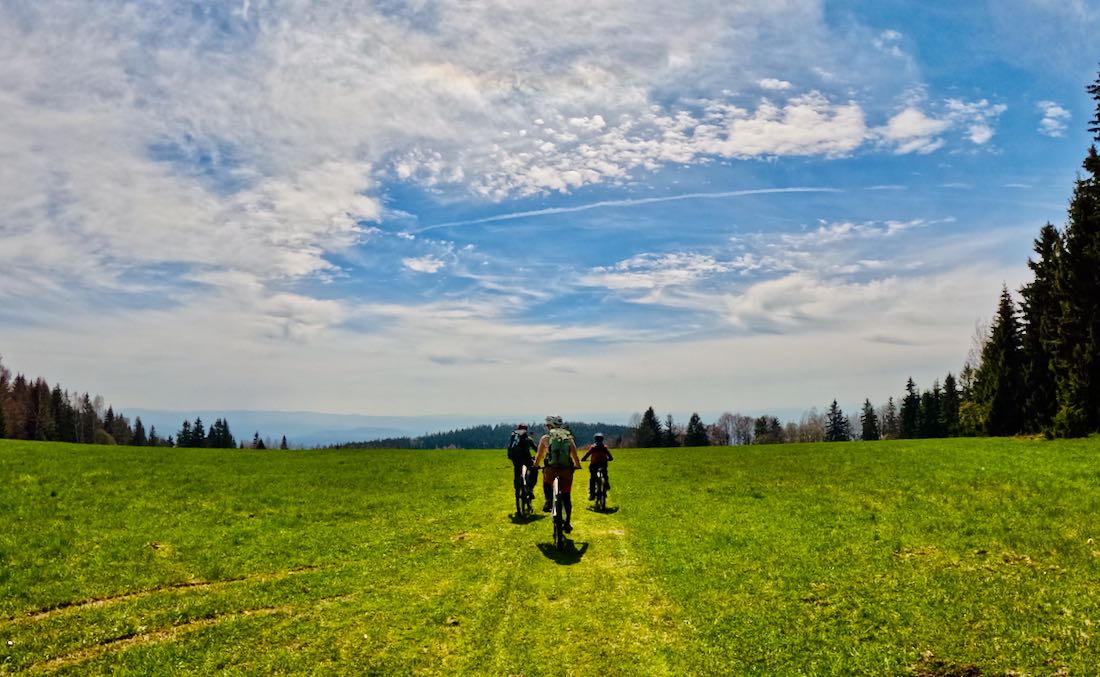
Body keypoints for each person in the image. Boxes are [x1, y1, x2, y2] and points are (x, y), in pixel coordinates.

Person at [533, 414, 582, 532]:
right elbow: (574, 454)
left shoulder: (545, 438)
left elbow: (539, 455)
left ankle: (549, 500)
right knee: (566, 497)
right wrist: (577, 465)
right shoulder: (568, 437)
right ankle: (567, 523)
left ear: (550, 426)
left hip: (551, 471)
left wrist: (535, 466)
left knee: (545, 479)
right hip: (566, 472)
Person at [506, 423, 538, 501]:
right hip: (524, 456)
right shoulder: (527, 437)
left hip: (513, 456)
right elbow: (536, 449)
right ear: (526, 430)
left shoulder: (514, 435)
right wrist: (537, 456)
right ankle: (530, 489)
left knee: (517, 469)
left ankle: (517, 487)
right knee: (534, 469)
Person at [581, 432, 613, 500]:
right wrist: (609, 459)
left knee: (592, 478)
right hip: (603, 464)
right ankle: (606, 484)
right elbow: (610, 457)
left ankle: (592, 494)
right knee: (605, 474)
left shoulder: (593, 447)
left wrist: (583, 459)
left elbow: (587, 454)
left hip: (594, 465)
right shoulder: (604, 447)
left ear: (595, 439)